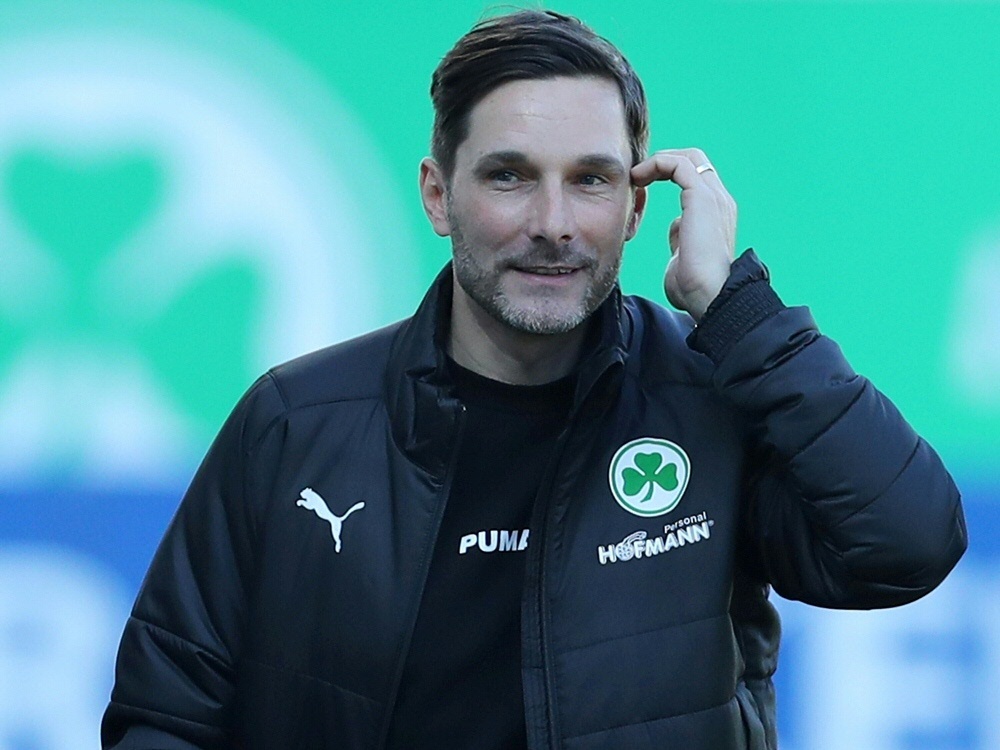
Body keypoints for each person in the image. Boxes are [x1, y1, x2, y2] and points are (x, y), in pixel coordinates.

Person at [101, 9, 967, 750]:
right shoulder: (297, 423)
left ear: (636, 208)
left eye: (590, 180)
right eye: (510, 176)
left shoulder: (714, 400)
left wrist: (735, 310)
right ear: (439, 195)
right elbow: (164, 712)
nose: (552, 225)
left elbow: (908, 545)